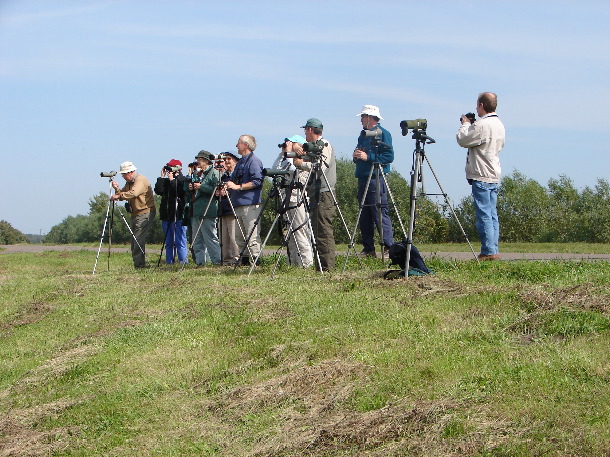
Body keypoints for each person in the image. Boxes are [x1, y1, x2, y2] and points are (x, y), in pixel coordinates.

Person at [456, 92, 506, 261]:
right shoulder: (499, 124)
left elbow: (463, 139)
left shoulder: (482, 125)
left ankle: (488, 251)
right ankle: (493, 248)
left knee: (484, 214)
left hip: (481, 174)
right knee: (492, 214)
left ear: (482, 105)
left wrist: (466, 124)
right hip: (493, 172)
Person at [293, 118, 336, 271]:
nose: (304, 133)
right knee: (317, 231)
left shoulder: (324, 145)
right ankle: (321, 266)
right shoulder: (314, 147)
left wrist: (301, 164)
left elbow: (321, 168)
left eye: (305, 130)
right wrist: (300, 152)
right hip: (316, 191)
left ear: (310, 130)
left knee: (323, 230)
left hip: (324, 192)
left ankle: (328, 268)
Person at [353, 105, 395, 258]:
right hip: (363, 177)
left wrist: (368, 157)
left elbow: (389, 156)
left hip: (375, 178)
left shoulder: (384, 134)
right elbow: (361, 152)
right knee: (365, 215)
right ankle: (368, 248)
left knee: (379, 212)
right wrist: (356, 156)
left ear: (370, 117)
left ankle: (389, 247)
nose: (361, 120)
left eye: (363, 117)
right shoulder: (363, 135)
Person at [273, 135, 313, 268]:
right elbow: (275, 170)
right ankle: (294, 264)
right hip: (287, 198)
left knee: (300, 232)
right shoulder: (287, 158)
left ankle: (306, 264)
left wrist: (289, 155)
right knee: (290, 234)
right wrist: (282, 154)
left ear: (300, 144)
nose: (288, 145)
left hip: (298, 199)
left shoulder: (304, 158)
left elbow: (292, 170)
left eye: (292, 143)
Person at [224, 135, 264, 266]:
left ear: (246, 145)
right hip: (238, 203)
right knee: (239, 236)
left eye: (238, 143)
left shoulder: (254, 162)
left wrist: (238, 187)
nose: (236, 146)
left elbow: (257, 181)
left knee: (252, 235)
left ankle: (256, 263)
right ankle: (245, 261)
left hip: (250, 204)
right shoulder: (241, 162)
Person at [110, 161, 156, 268]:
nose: (123, 177)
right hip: (136, 214)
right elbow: (123, 194)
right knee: (134, 240)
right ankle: (139, 264)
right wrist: (117, 189)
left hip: (145, 212)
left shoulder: (140, 180)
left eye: (124, 174)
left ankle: (140, 266)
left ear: (131, 172)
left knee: (138, 239)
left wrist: (118, 196)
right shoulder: (129, 183)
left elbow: (133, 193)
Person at [184, 150, 221, 266]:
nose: (197, 162)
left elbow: (216, 190)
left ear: (206, 161)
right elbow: (187, 191)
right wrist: (190, 186)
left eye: (199, 159)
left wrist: (201, 187)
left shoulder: (214, 173)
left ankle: (216, 261)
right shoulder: (198, 174)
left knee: (210, 238)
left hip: (208, 210)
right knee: (197, 239)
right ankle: (200, 263)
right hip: (196, 210)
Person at [154, 159, 188, 265]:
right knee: (169, 242)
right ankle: (170, 262)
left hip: (179, 215)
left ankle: (183, 262)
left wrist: (173, 180)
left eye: (171, 168)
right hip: (167, 215)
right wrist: (162, 177)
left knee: (180, 242)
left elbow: (181, 192)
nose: (169, 170)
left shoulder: (183, 180)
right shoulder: (166, 181)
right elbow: (158, 190)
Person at [215, 152, 240, 266]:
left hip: (233, 208)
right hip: (223, 208)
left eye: (229, 159)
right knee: (224, 238)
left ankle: (237, 258)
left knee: (234, 236)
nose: (226, 161)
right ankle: (226, 259)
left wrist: (229, 191)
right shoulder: (223, 176)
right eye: (225, 159)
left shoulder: (237, 175)